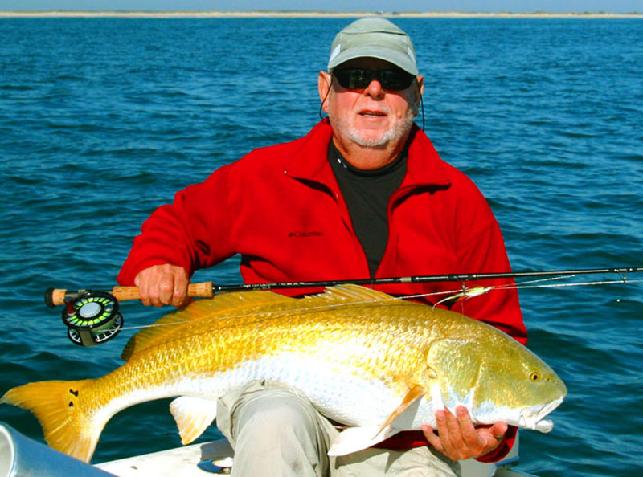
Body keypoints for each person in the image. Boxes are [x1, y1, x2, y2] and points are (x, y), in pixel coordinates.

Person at [118, 17, 527, 477]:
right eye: (355, 78)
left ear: (417, 92)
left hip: (411, 435)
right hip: (277, 396)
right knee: (275, 425)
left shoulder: (458, 201)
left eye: (392, 80)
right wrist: (159, 262)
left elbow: (499, 338)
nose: (373, 91)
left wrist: (491, 437)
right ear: (325, 90)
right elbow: (180, 223)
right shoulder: (264, 176)